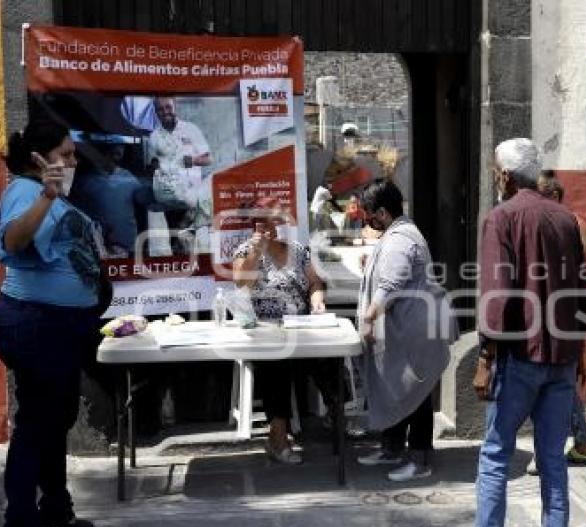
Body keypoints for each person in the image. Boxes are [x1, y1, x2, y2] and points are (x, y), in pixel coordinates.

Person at [462, 139, 586, 527]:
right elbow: (580, 290)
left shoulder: (502, 217)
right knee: (552, 457)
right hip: (561, 355)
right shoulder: (566, 219)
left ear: (504, 175)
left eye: (495, 172)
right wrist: (580, 351)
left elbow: (496, 296)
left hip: (519, 356)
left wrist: (484, 358)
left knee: (497, 453)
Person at [0, 120, 105, 527]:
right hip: (37, 323)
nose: (73, 161)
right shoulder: (25, 190)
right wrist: (46, 195)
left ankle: (55, 508)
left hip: (60, 325)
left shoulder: (50, 194)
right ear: (39, 159)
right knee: (37, 424)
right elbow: (12, 243)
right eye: (66, 153)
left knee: (56, 417)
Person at [355, 179, 457, 482]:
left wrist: (369, 319)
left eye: (369, 214)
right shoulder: (399, 233)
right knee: (397, 390)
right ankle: (392, 448)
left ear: (383, 213)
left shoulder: (400, 239)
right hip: (408, 328)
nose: (367, 221)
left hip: (414, 332)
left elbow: (390, 286)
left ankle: (420, 459)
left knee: (415, 392)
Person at [232, 202, 333, 465]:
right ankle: (277, 438)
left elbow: (315, 283)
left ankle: (337, 419)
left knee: (331, 356)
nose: (276, 227)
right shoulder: (246, 251)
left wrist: (317, 301)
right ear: (257, 226)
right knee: (276, 362)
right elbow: (242, 282)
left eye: (279, 221)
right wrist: (257, 252)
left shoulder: (298, 251)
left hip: (301, 326)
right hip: (265, 330)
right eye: (269, 222)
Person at [527, 171, 586, 476]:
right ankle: (580, 442)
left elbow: (576, 271)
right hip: (562, 311)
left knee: (556, 380)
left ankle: (558, 448)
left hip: (564, 311)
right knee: (562, 381)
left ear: (554, 197)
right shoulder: (565, 223)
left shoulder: (572, 225)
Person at [147, 96, 212, 249]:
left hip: (192, 202)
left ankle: (194, 267)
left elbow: (208, 159)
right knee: (177, 243)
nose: (165, 112)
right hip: (170, 202)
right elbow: (151, 167)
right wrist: (153, 167)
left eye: (168, 107)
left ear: (175, 106)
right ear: (156, 112)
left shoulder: (191, 129)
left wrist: (193, 161)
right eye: (160, 109)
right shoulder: (154, 137)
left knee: (192, 243)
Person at [69, 143, 152, 256]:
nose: (116, 157)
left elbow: (143, 203)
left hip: (126, 248)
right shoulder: (82, 181)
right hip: (94, 248)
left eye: (118, 154)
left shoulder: (128, 178)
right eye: (112, 153)